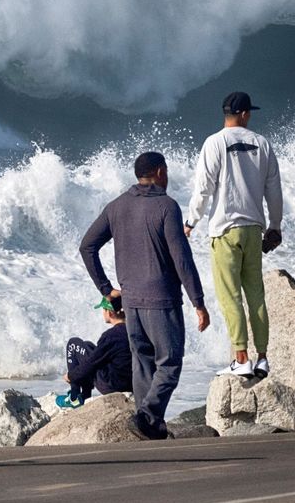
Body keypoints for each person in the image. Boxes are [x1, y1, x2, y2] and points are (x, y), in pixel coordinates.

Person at [80, 152, 210, 440]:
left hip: (131, 302)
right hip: (161, 301)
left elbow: (87, 247)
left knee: (143, 363)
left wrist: (106, 289)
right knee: (170, 362)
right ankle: (146, 416)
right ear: (160, 172)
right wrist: (198, 302)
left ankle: (149, 428)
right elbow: (182, 259)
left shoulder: (116, 206)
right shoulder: (167, 206)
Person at [185, 92, 283, 379]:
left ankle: (241, 358)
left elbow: (204, 188)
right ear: (244, 114)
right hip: (253, 229)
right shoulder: (262, 144)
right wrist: (275, 226)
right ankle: (262, 358)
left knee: (230, 297)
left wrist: (191, 220)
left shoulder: (214, 142)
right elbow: (273, 190)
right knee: (256, 295)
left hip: (225, 230)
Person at [56, 296, 133, 409]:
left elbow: (91, 363)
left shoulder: (111, 336)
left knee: (73, 343)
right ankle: (85, 396)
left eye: (103, 309)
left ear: (110, 313)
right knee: (88, 345)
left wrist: (71, 376)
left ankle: (74, 397)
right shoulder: (135, 332)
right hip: (130, 384)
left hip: (111, 385)